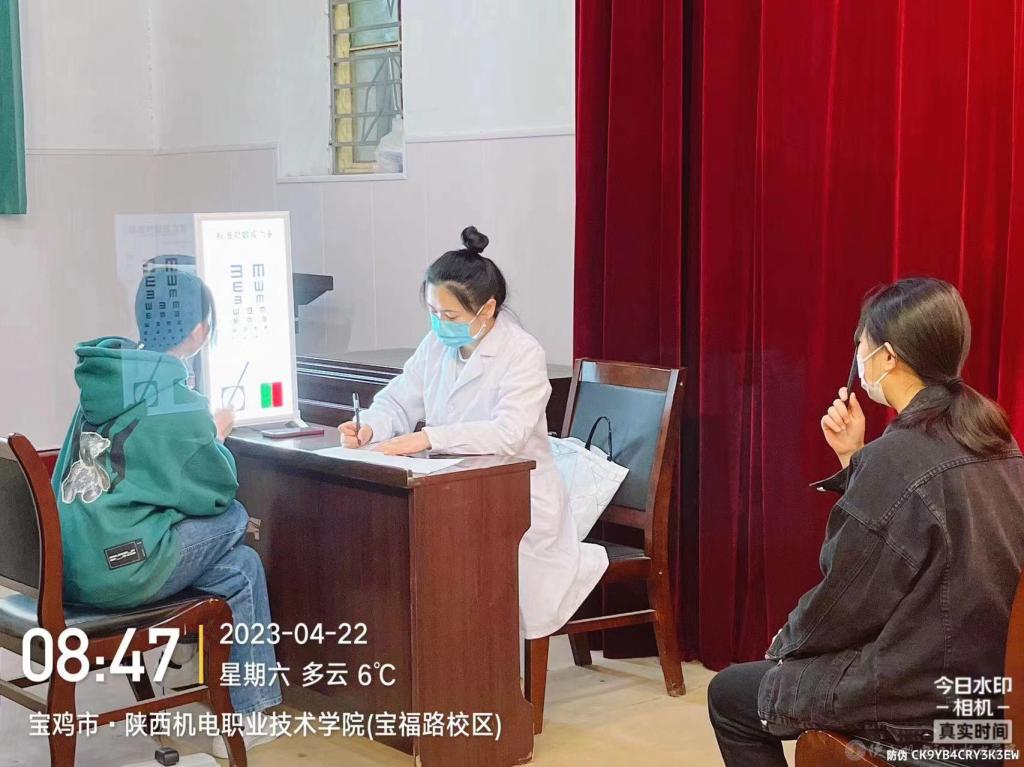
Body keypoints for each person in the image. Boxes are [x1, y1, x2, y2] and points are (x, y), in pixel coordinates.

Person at [707, 277, 1024, 767]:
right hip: (985, 697)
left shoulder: (894, 459)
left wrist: (786, 645)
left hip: (916, 704)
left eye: (861, 342)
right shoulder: (998, 440)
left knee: (730, 695)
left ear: (888, 356)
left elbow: (845, 601)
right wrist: (855, 458)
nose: (858, 355)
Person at [52, 266, 281, 758]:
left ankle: (203, 684)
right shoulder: (175, 401)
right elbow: (215, 493)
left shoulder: (108, 379)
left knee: (241, 567)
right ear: (199, 331)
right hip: (119, 569)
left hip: (68, 563)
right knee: (236, 518)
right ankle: (244, 715)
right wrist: (214, 434)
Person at [339, 226, 609, 639]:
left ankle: (470, 658)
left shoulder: (522, 353)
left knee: (461, 574)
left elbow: (509, 433)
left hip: (512, 499)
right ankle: (432, 652)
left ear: (487, 309)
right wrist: (369, 427)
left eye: (450, 316)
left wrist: (431, 438)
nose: (439, 324)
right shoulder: (435, 345)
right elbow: (400, 399)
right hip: (450, 488)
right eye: (433, 312)